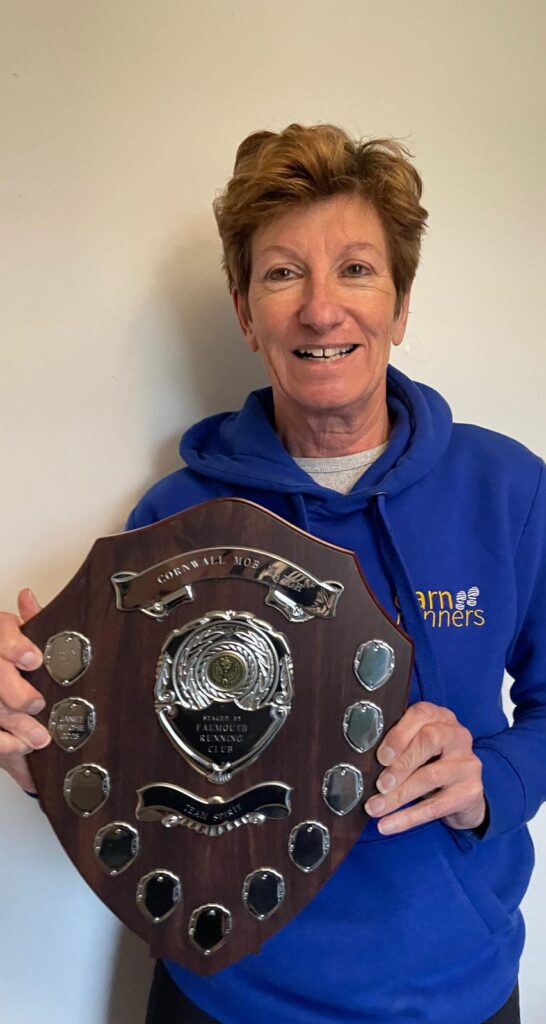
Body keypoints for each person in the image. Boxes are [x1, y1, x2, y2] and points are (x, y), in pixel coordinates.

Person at [1, 123, 543, 1024]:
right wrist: (40, 745)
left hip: (454, 995)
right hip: (226, 998)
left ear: (402, 306)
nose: (321, 310)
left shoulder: (507, 490)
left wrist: (496, 779)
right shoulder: (172, 521)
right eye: (283, 273)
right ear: (246, 311)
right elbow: (130, 768)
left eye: (358, 270)